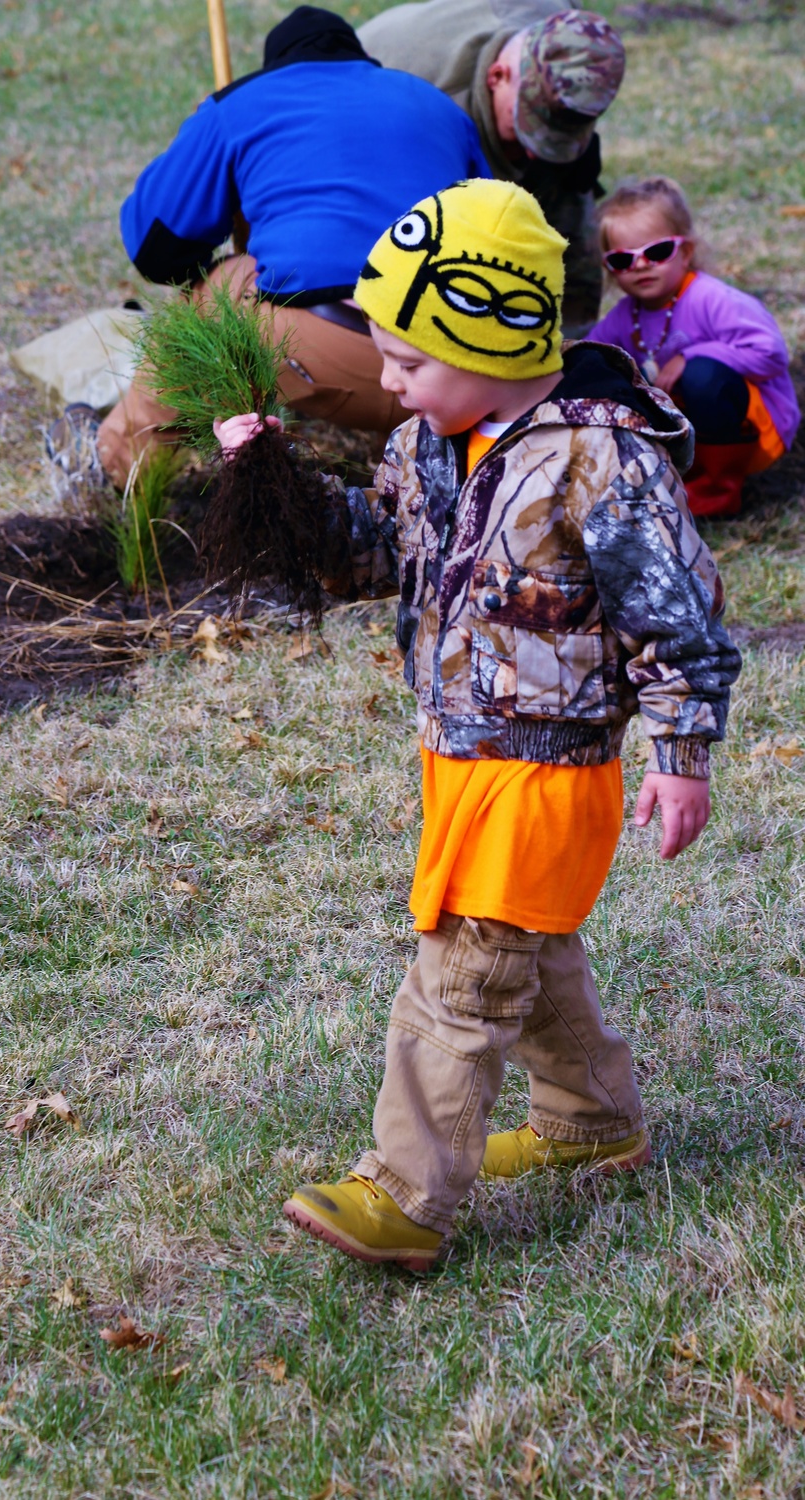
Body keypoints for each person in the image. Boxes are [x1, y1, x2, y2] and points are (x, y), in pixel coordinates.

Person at [216, 178, 740, 1270]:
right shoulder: (425, 446)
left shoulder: (601, 460)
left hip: (549, 773)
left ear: (494, 344)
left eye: (408, 360)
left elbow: (678, 617)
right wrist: (273, 481)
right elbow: (372, 552)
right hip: (455, 755)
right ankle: (591, 1122)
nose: (390, 384)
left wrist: (680, 755)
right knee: (528, 948)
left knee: (463, 971)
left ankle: (404, 1195)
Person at [46, 6, 491, 501]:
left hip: (334, 359)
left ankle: (111, 469)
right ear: (362, 59)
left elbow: (157, 250)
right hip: (463, 369)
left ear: (276, 65)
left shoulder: (241, 103)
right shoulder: (440, 106)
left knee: (219, 287)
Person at [353, 2, 626, 335]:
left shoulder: (570, 35)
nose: (533, 152)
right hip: (371, 124)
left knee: (570, 192)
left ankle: (567, 352)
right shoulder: (430, 104)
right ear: (498, 75)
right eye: (526, 129)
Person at [588, 176, 800, 519]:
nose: (640, 265)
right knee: (615, 372)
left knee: (703, 376)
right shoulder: (624, 317)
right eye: (623, 260)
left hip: (756, 430)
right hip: (685, 434)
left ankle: (718, 493)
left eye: (656, 252)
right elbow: (590, 359)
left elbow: (772, 352)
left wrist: (693, 356)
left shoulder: (711, 298)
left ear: (685, 252)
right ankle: (660, 479)